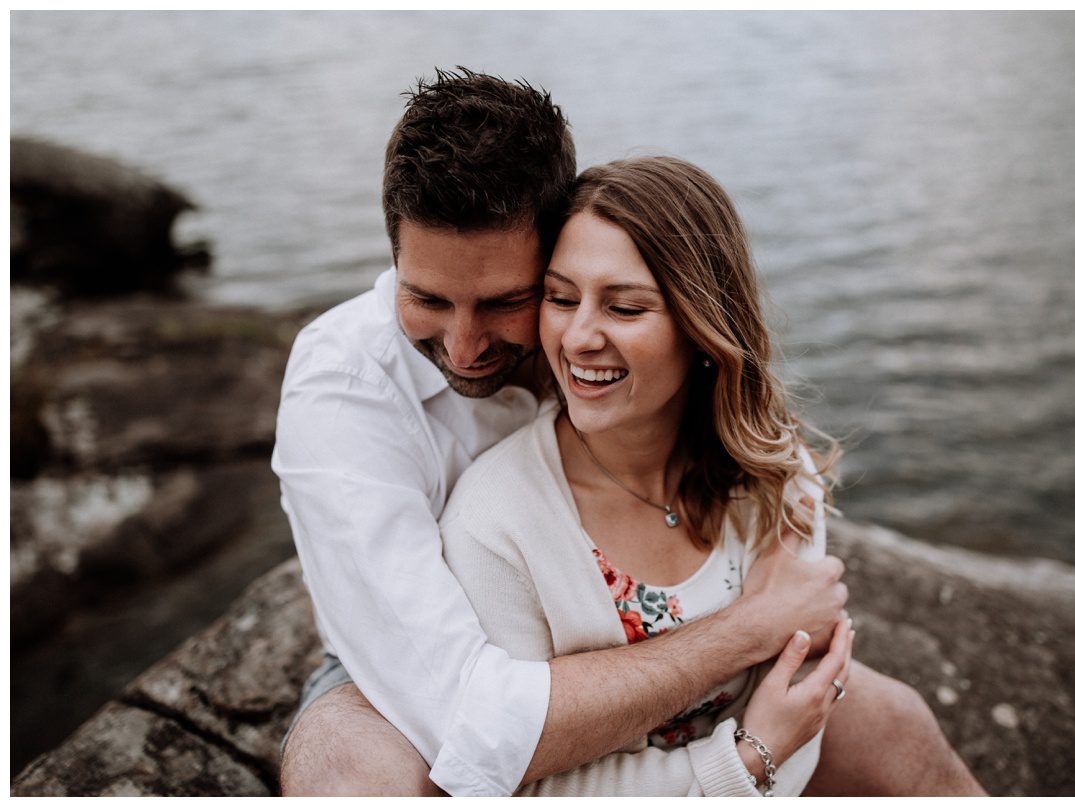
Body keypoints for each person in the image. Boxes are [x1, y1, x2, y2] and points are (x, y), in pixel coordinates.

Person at [273, 68, 984, 796]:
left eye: (507, 301)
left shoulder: (604, 332)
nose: (461, 347)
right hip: (418, 664)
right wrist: (750, 631)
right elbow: (471, 723)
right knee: (348, 766)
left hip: (635, 650)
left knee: (894, 718)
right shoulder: (345, 390)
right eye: (423, 297)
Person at [442, 155, 857, 795]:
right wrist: (744, 760)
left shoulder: (775, 474)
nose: (578, 337)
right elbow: (510, 786)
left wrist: (773, 745)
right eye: (560, 298)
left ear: (701, 330)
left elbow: (806, 711)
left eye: (625, 309)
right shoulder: (493, 525)